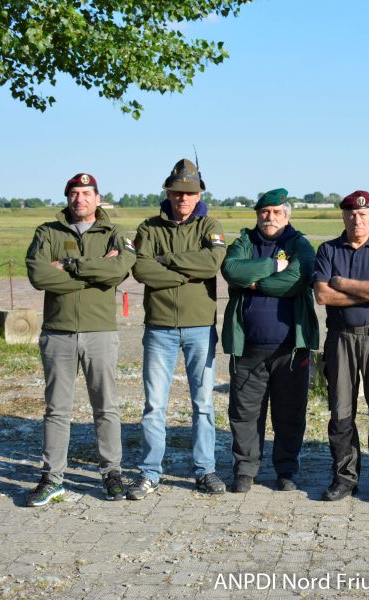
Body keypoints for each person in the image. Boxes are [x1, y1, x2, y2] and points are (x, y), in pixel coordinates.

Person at [24, 173, 136, 506]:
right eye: (74, 193)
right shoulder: (48, 232)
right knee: (57, 409)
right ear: (67, 198)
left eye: (87, 193)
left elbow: (118, 272)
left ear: (98, 198)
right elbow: (38, 275)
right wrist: (93, 274)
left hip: (100, 332)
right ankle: (52, 477)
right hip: (58, 333)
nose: (80, 199)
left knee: (106, 406)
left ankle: (111, 474)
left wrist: (70, 266)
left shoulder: (114, 234)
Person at [127, 159, 227, 499]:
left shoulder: (209, 226)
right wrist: (187, 272)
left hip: (200, 326)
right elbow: (141, 269)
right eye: (177, 193)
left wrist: (166, 261)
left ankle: (205, 470)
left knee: (203, 403)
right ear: (168, 193)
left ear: (199, 194)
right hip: (159, 328)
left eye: (189, 193)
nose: (183, 199)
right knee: (155, 404)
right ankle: (150, 472)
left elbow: (211, 263)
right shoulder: (149, 228)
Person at [221, 188, 319, 493]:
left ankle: (286, 470)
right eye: (265, 212)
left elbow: (297, 280)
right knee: (244, 413)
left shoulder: (299, 244)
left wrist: (252, 283)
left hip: (290, 349)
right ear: (257, 214)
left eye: (277, 212)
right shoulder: (244, 242)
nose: (270, 217)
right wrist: (273, 267)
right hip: (248, 346)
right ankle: (245, 470)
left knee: (289, 412)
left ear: (287, 215)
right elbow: (231, 269)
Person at [313, 190, 369, 503]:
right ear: (343, 217)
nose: (357, 219)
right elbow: (322, 296)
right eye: (351, 214)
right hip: (340, 338)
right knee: (341, 412)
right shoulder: (328, 250)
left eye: (363, 214)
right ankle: (344, 477)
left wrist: (343, 283)